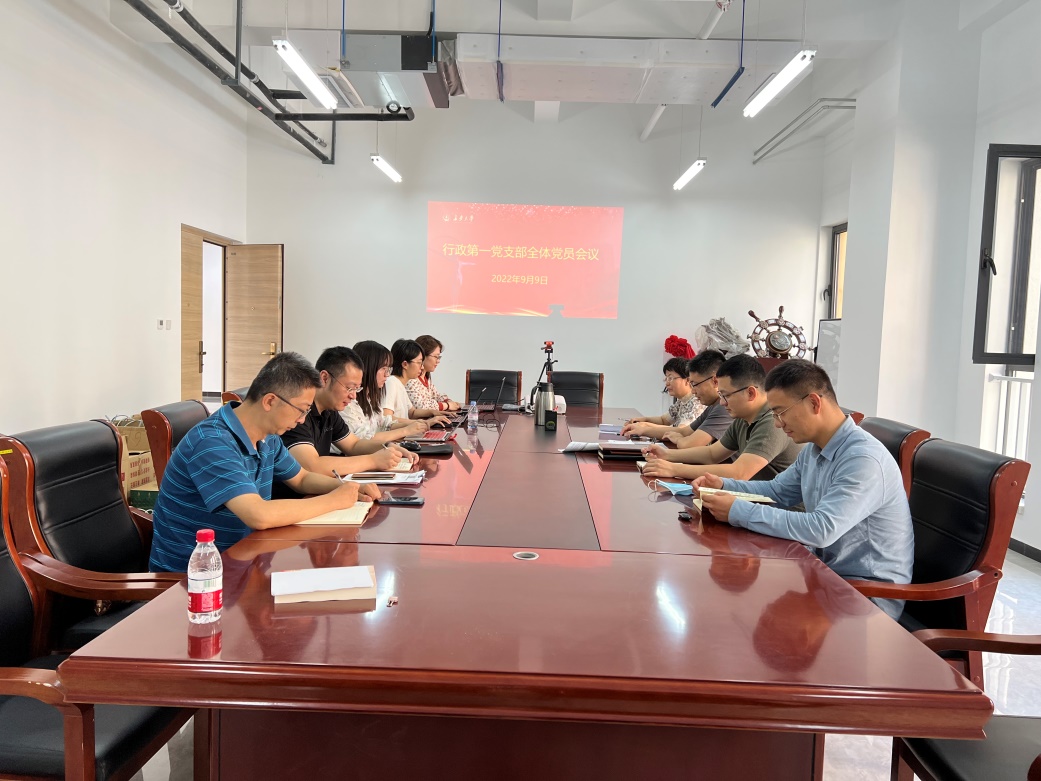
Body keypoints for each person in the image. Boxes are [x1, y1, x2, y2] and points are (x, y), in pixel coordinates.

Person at [695, 359, 914, 619]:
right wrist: (724, 485)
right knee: (733, 605)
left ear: (813, 403)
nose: (777, 424)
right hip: (824, 575)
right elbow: (777, 491)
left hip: (865, 598)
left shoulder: (863, 459)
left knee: (745, 610)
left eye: (780, 412)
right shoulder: (814, 449)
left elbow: (821, 529)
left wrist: (737, 511)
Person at [149, 352, 379, 572]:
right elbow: (258, 514)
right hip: (197, 579)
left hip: (248, 559)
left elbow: (302, 479)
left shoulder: (267, 437)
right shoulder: (212, 442)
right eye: (301, 411)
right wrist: (334, 501)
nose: (301, 420)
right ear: (270, 401)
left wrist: (348, 488)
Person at [273, 346, 418, 499]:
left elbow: (353, 445)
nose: (353, 396)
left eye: (357, 389)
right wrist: (373, 460)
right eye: (349, 388)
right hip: (293, 500)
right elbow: (312, 466)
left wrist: (387, 447)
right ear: (324, 378)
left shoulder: (329, 411)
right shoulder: (298, 412)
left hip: (316, 495)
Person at [642, 354, 802, 481]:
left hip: (777, 508)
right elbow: (712, 454)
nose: (722, 403)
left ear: (750, 393)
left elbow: (739, 472)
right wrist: (667, 455)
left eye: (726, 395)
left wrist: (674, 469)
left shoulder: (772, 421)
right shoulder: (743, 418)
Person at [341, 340, 433, 443]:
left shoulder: (369, 398)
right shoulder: (347, 403)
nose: (387, 374)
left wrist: (414, 425)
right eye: (383, 368)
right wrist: (406, 430)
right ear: (368, 368)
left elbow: (384, 423)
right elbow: (360, 441)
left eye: (388, 369)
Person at [657, 350, 734, 448]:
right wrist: (643, 428)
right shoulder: (712, 406)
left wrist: (680, 440)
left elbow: (690, 444)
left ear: (715, 381)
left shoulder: (722, 407)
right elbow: (684, 432)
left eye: (695, 384)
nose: (693, 391)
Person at [622, 357, 708, 440]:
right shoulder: (682, 400)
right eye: (666, 378)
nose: (667, 384)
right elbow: (663, 420)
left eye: (670, 378)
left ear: (687, 380)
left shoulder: (696, 402)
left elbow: (681, 431)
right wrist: (644, 420)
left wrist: (645, 426)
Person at [383, 339, 452, 422]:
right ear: (405, 364)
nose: (422, 367)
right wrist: (424, 422)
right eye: (419, 363)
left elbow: (412, 412)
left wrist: (433, 412)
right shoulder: (391, 383)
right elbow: (387, 418)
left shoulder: (400, 384)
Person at [406, 334, 461, 412]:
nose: (438, 361)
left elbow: (436, 396)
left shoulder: (425, 378)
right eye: (436, 357)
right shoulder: (411, 380)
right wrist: (447, 405)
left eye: (439, 357)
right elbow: (421, 407)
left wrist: (449, 401)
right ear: (422, 356)